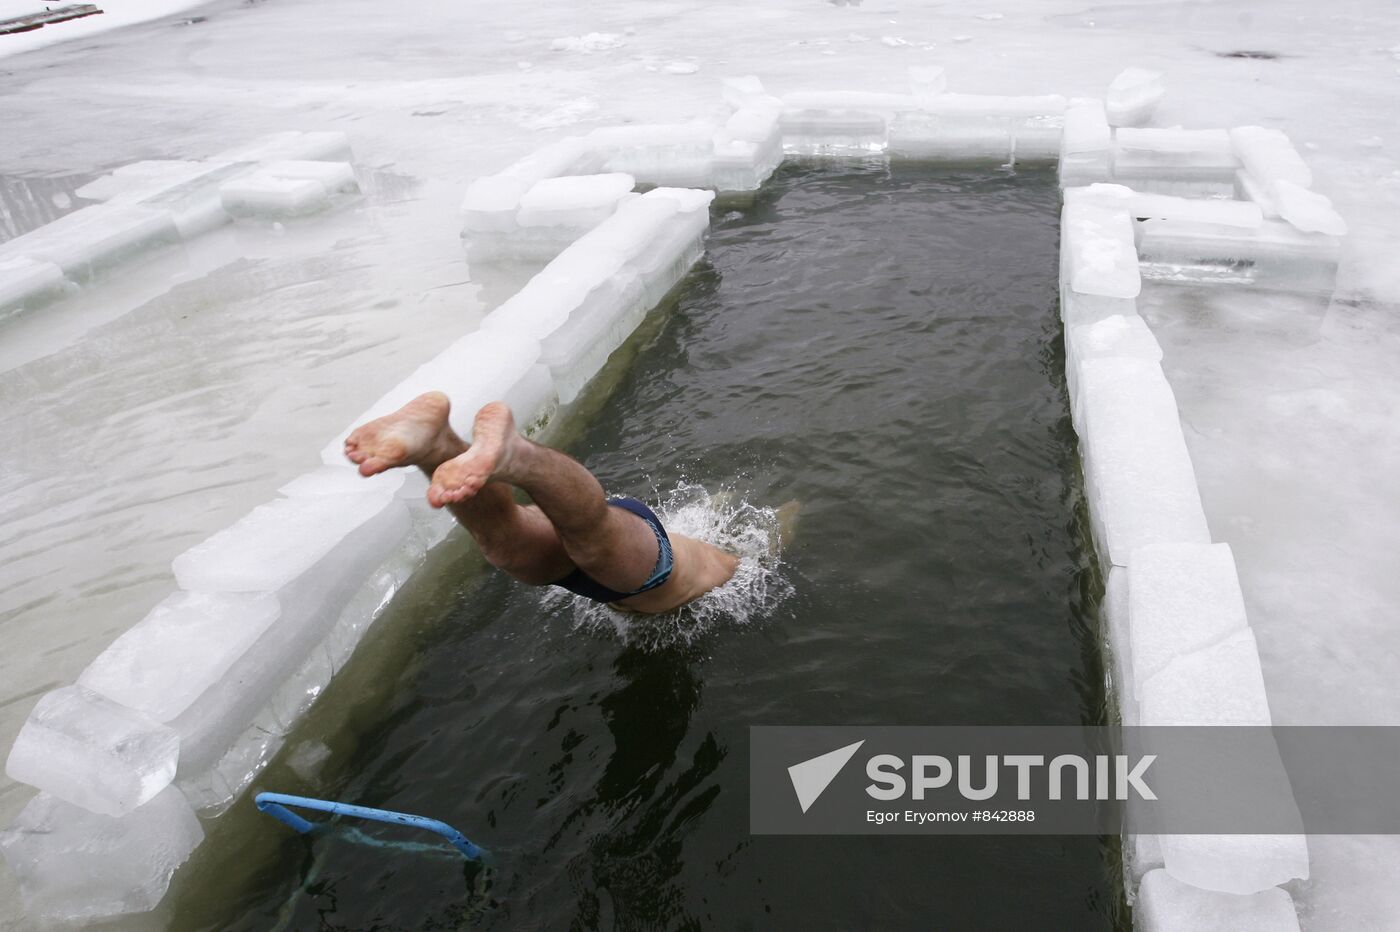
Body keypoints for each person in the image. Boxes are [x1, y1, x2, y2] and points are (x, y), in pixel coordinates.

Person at [343, 391, 740, 613]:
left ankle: (435, 447)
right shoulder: (728, 567)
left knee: (507, 542)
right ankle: (520, 457)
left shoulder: (696, 549)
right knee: (596, 540)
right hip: (647, 561)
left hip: (605, 575)